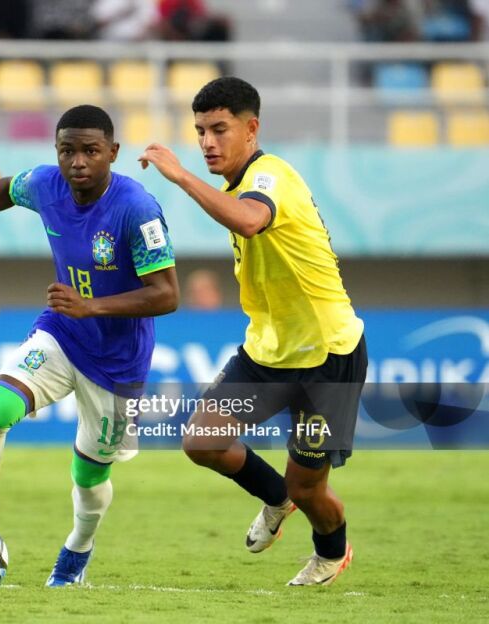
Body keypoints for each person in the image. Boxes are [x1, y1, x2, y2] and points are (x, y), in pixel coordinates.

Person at [0, 105, 179, 588]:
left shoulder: (137, 209)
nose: (78, 162)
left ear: (112, 152)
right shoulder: (46, 184)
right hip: (62, 332)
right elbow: (4, 189)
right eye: (67, 151)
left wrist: (90, 306)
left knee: (89, 479)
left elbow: (167, 294)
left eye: (90, 151)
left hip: (117, 362)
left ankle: (77, 549)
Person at [139, 77, 367, 586]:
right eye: (200, 131)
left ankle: (331, 553)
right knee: (202, 441)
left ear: (251, 129)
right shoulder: (237, 185)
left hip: (327, 357)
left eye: (219, 129)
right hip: (268, 352)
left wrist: (179, 176)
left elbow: (248, 221)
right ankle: (276, 498)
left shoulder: (270, 176)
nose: (207, 142)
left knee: (309, 487)